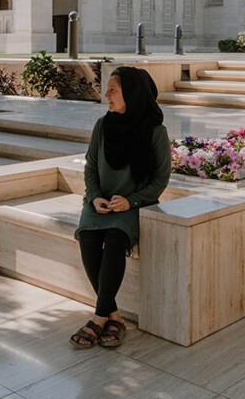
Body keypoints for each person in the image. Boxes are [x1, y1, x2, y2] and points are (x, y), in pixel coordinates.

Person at [70, 66, 171, 349]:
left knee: (115, 241)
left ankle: (99, 317)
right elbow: (91, 166)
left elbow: (160, 180)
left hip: (135, 205)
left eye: (112, 90)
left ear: (131, 94)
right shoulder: (103, 126)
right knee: (88, 237)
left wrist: (131, 201)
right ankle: (113, 316)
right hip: (101, 202)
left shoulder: (155, 131)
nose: (106, 96)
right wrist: (94, 196)